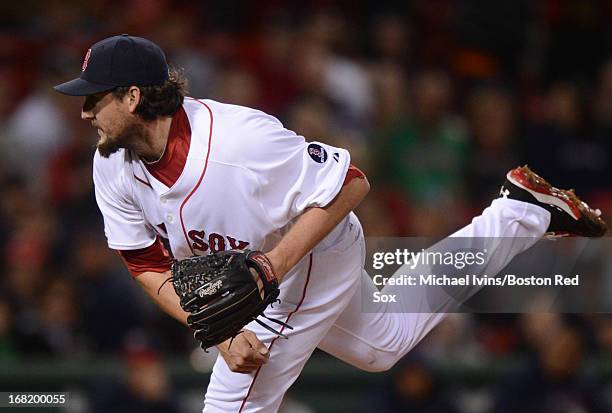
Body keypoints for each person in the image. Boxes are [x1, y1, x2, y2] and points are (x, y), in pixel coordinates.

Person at [54, 35, 606, 412]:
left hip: (311, 249)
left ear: (132, 97)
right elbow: (145, 261)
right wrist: (219, 329)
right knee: (382, 344)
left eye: (94, 100)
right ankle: (520, 212)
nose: (83, 113)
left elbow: (351, 183)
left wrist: (272, 269)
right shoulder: (112, 165)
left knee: (231, 402)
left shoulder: (240, 142)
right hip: (264, 277)